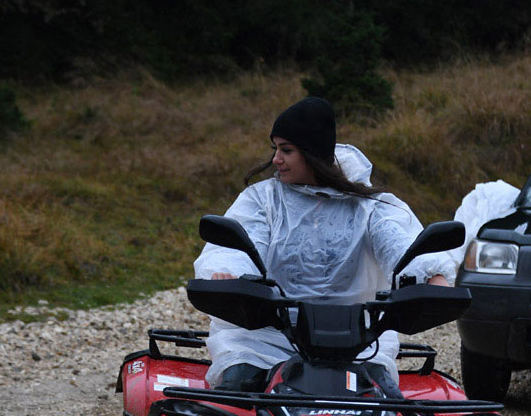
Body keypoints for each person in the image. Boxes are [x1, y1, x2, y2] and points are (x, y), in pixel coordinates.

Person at [193, 96, 455, 391]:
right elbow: (242, 240)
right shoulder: (263, 200)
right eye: (275, 149)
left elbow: (399, 241)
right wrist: (229, 274)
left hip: (355, 340)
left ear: (312, 153)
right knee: (236, 396)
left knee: (386, 404)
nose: (276, 159)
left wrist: (432, 275)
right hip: (265, 337)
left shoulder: (369, 205)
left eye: (287, 150)